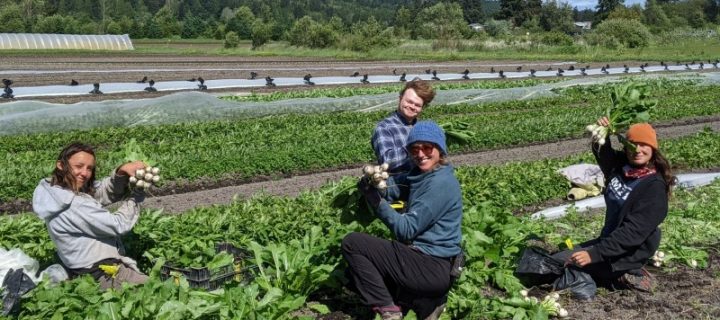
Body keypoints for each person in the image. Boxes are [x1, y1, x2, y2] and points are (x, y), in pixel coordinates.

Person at [343, 121, 463, 320]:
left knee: (353, 244)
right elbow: (396, 187)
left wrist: (377, 202)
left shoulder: (441, 184)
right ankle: (422, 302)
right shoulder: (422, 174)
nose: (421, 154)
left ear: (439, 149)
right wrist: (376, 183)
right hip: (424, 262)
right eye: (414, 149)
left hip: (432, 266)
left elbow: (406, 230)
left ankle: (390, 311)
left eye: (427, 147)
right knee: (353, 276)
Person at [559, 119, 676, 292]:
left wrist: (594, 254)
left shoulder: (654, 188)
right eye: (632, 144)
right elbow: (603, 153)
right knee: (558, 258)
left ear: (653, 149)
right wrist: (602, 131)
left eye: (644, 145)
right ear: (625, 145)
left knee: (563, 264)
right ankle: (608, 274)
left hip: (626, 252)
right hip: (609, 242)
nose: (637, 150)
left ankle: (626, 274)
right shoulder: (622, 167)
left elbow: (632, 232)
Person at [32, 142, 149, 290]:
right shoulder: (73, 204)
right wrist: (136, 197)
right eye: (79, 166)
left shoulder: (54, 190)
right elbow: (118, 224)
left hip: (83, 270)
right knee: (160, 290)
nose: (85, 173)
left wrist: (121, 173)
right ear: (61, 165)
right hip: (104, 273)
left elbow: (98, 192)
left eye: (89, 168)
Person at [371, 79, 436, 173]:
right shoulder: (384, 127)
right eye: (409, 102)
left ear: (422, 108)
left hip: (424, 182)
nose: (412, 107)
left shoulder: (422, 128)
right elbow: (386, 162)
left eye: (417, 105)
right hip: (399, 185)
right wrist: (414, 147)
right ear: (400, 99)